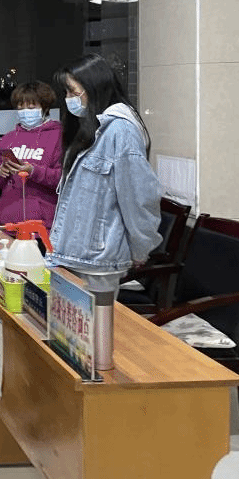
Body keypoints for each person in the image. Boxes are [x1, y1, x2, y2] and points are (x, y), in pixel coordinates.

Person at [48, 54, 162, 303]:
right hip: (71, 254)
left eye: (73, 92)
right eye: (66, 92)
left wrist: (141, 249)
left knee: (95, 326)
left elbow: (139, 198)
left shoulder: (121, 131)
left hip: (98, 260)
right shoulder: (90, 128)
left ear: (94, 87)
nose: (68, 99)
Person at [0, 81, 63, 230]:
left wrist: (33, 171)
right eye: (20, 108)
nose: (25, 112)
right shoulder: (9, 138)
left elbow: (63, 179)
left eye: (31, 107)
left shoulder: (59, 137)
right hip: (7, 222)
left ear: (45, 107)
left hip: (42, 226)